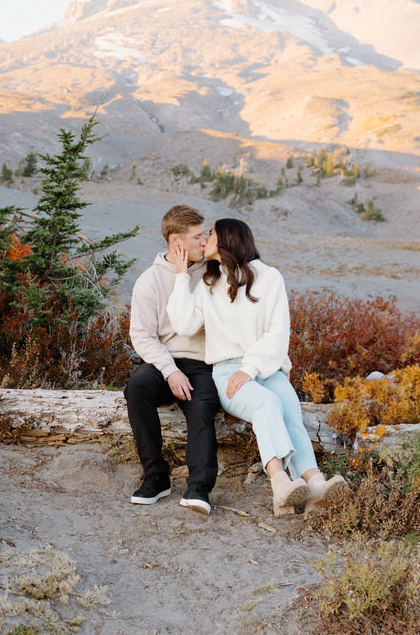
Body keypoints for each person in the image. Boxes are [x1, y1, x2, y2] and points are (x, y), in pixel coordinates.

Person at [166, 218, 346, 516]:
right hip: (225, 372)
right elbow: (184, 325)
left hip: (264, 367)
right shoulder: (209, 284)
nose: (203, 239)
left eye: (209, 234)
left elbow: (277, 334)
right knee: (266, 403)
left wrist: (249, 369)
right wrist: (181, 275)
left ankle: (315, 485)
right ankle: (280, 483)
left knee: (289, 406)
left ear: (226, 239)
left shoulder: (270, 277)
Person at [123, 204, 221, 514]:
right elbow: (142, 336)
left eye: (204, 235)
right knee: (136, 388)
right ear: (176, 242)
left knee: (203, 403)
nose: (204, 242)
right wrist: (170, 371)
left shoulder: (211, 273)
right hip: (163, 362)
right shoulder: (149, 281)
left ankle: (199, 486)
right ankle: (156, 476)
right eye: (197, 237)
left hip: (202, 361)